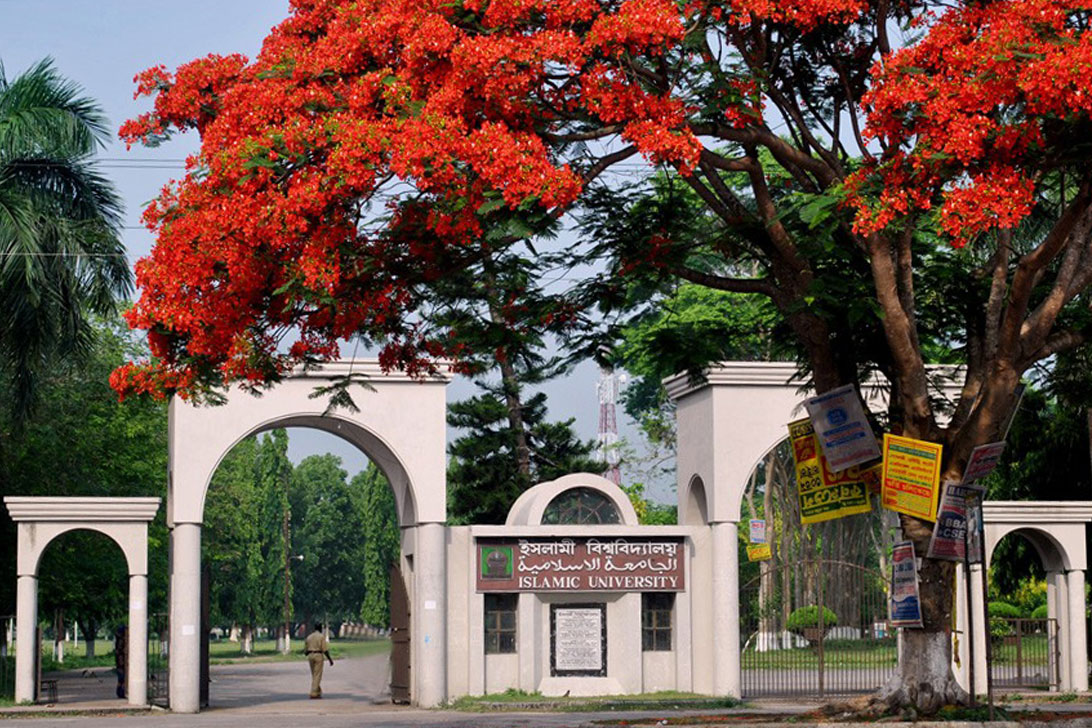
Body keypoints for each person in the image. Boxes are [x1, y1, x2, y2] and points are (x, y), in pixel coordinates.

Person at [304, 623, 333, 698]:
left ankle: (318, 691)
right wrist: (330, 659)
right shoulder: (321, 637)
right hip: (318, 655)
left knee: (314, 674)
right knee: (317, 674)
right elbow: (325, 650)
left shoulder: (309, 637)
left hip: (310, 656)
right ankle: (313, 693)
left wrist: (309, 651)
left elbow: (305, 651)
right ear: (320, 629)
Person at [114, 625, 128, 699]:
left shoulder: (119, 640)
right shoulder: (121, 641)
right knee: (122, 678)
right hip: (121, 661)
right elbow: (120, 651)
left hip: (120, 661)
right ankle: (121, 692)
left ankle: (120, 692)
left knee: (121, 678)